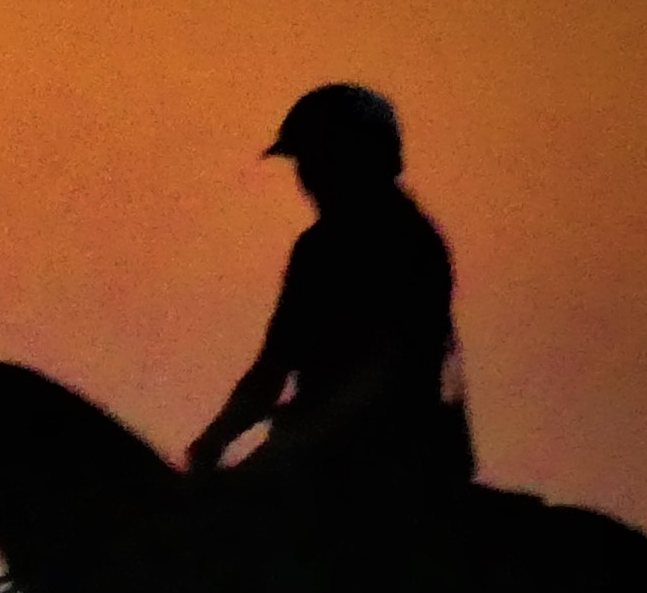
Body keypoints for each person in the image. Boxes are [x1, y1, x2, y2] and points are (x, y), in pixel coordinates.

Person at [186, 84, 475, 492]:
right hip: (389, 452)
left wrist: (218, 443)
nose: (306, 178)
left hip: (364, 462)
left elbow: (378, 371)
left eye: (315, 159)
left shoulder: (353, 247)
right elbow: (277, 363)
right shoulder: (403, 238)